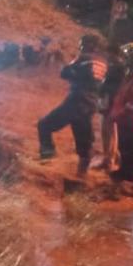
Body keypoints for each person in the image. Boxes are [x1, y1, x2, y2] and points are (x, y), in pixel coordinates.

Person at [38, 34, 108, 177]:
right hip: (91, 104)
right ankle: (82, 176)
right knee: (84, 143)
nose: (80, 47)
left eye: (82, 44)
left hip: (76, 101)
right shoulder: (103, 62)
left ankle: (47, 158)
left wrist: (64, 63)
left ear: (90, 45)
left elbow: (65, 73)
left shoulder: (83, 58)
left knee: (44, 125)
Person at [110, 46, 133, 183]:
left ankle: (129, 174)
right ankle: (125, 170)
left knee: (131, 147)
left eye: (131, 60)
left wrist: (121, 113)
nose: (127, 62)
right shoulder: (132, 77)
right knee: (125, 146)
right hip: (125, 118)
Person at [97, 42, 128, 170]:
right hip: (110, 101)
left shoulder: (119, 67)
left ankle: (109, 160)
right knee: (110, 131)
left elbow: (116, 87)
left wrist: (104, 94)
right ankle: (111, 158)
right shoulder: (117, 66)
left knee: (109, 131)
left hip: (111, 102)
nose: (105, 55)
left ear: (111, 53)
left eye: (107, 53)